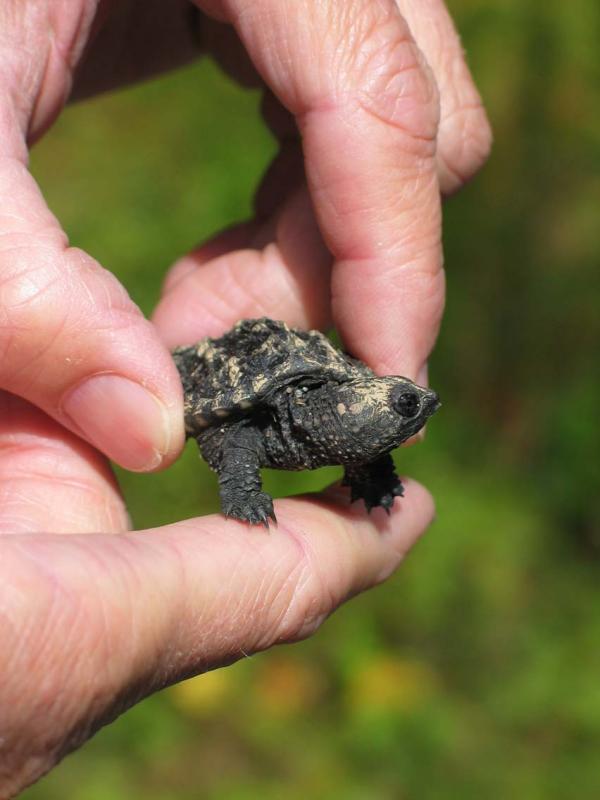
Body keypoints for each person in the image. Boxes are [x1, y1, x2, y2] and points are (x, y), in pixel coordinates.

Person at [0, 0, 491, 794]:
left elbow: (367, 423)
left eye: (405, 406)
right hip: (224, 374)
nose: (414, 409)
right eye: (401, 407)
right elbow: (236, 438)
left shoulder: (350, 416)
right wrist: (240, 486)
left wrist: (376, 469)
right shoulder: (290, 412)